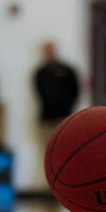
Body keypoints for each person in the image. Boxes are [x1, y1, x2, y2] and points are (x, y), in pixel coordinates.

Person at [33, 40, 80, 189]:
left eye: (51, 50)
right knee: (47, 155)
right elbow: (39, 94)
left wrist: (67, 109)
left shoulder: (68, 70)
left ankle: (65, 186)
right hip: (46, 119)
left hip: (64, 119)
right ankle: (50, 187)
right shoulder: (40, 72)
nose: (49, 53)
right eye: (47, 50)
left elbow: (76, 91)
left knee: (64, 155)